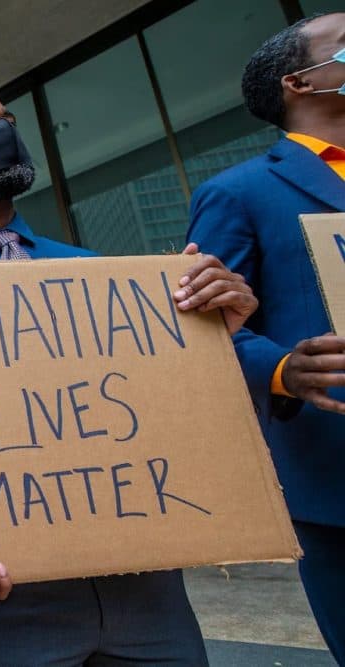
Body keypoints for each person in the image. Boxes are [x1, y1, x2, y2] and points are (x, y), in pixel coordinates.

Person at [0, 92, 258, 666]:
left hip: (144, 592)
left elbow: (170, 413)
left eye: (8, 121)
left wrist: (218, 343)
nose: (3, 129)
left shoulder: (97, 273)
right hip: (2, 595)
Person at [187, 13, 345, 663]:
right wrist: (283, 369)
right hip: (334, 472)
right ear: (299, 83)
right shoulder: (239, 193)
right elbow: (203, 329)